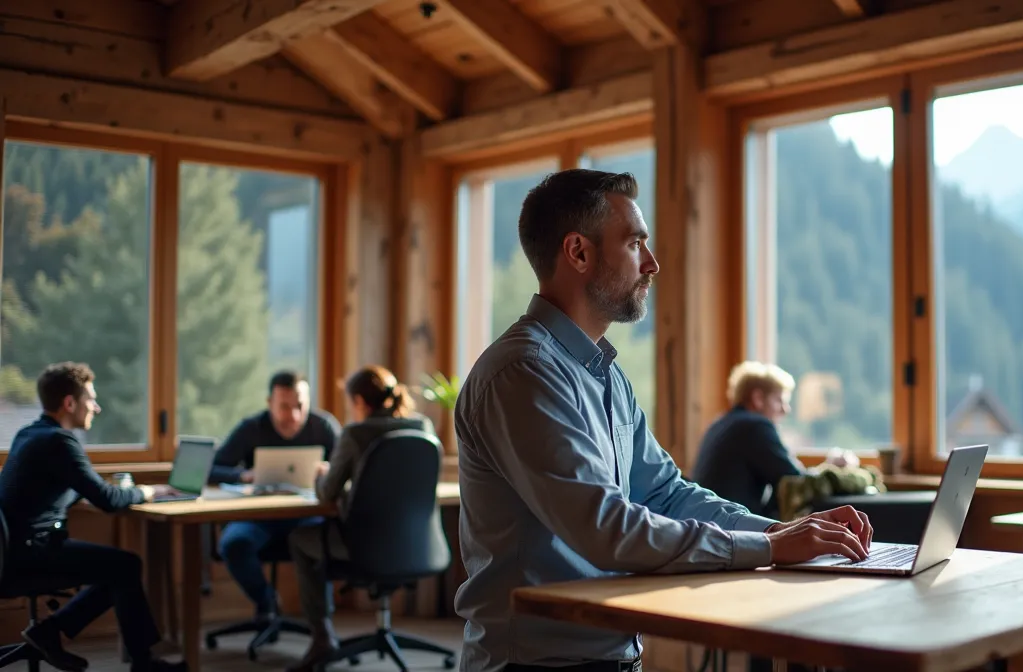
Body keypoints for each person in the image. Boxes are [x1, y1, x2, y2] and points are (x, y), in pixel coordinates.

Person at [454, 168, 874, 672]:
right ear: (579, 253)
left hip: (606, 654)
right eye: (635, 243)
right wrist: (767, 547)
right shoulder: (522, 374)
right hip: (535, 664)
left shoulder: (605, 376)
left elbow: (667, 494)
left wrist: (787, 533)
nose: (652, 264)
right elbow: (606, 530)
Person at [0, 362, 186, 672]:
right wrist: (148, 491)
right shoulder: (60, 442)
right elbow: (109, 501)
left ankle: (51, 632)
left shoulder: (30, 434)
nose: (96, 407)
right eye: (91, 399)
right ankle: (142, 664)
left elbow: (54, 486)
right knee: (125, 566)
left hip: (12, 552)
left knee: (118, 568)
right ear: (70, 403)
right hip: (33, 552)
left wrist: (90, 489)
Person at [283, 365, 436, 672]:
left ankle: (322, 635)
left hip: (363, 545)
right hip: (418, 544)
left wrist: (320, 474)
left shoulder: (355, 433)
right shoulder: (423, 427)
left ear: (360, 402)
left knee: (300, 539)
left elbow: (327, 495)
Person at [207, 370, 341, 621]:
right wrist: (242, 475)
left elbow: (350, 468)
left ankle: (323, 626)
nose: (293, 415)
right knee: (233, 544)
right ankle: (266, 601)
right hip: (257, 517)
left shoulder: (323, 426)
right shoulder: (251, 428)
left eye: (300, 405)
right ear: (270, 403)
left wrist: (330, 469)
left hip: (306, 516)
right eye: (284, 407)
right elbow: (211, 470)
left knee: (322, 543)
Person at [692, 361, 805, 518]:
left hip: (709, 525)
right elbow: (795, 478)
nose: (785, 410)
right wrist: (831, 467)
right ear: (758, 398)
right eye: (779, 400)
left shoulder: (721, 423)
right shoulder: (755, 427)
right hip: (733, 530)